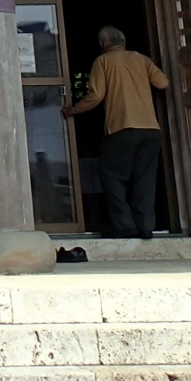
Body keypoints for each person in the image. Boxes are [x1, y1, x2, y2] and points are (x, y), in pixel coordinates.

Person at [62, 26, 169, 239]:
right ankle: (145, 227)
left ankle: (125, 225)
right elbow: (163, 82)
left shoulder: (103, 61)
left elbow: (96, 95)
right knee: (145, 179)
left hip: (122, 128)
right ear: (123, 42)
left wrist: (72, 110)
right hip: (150, 129)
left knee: (111, 176)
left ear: (104, 44)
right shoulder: (141, 59)